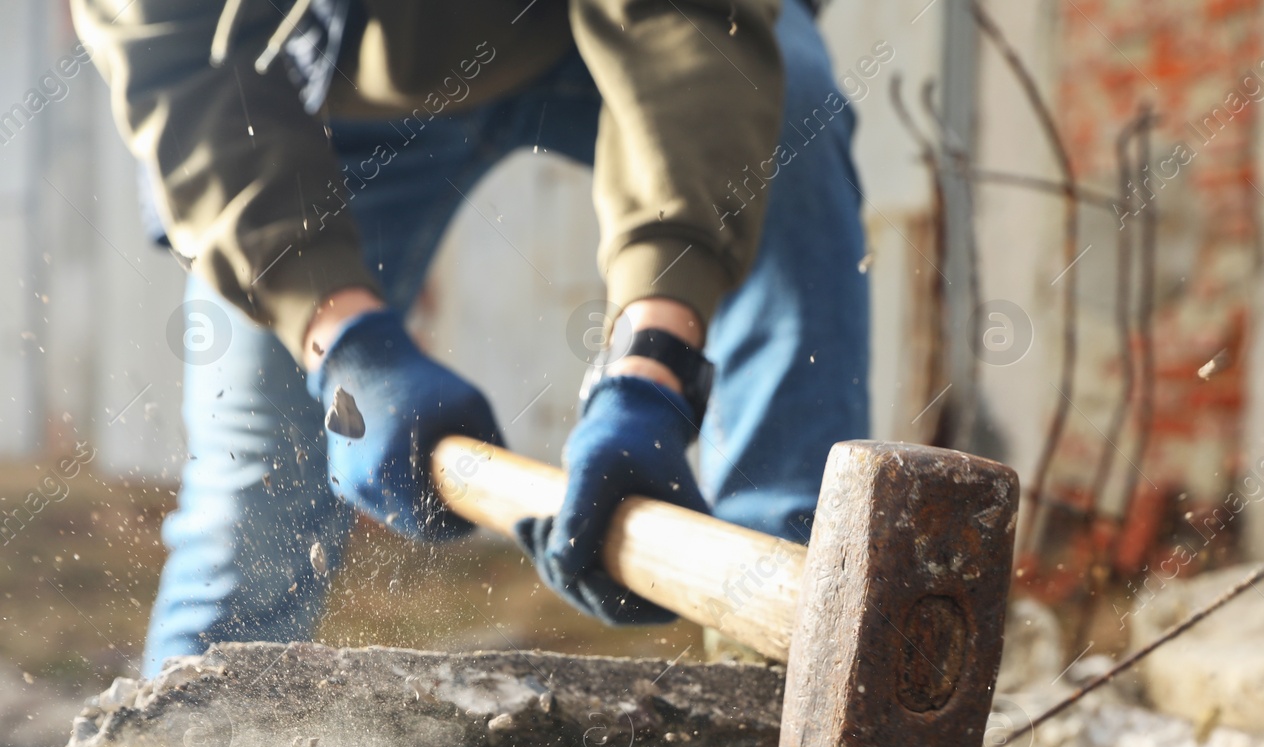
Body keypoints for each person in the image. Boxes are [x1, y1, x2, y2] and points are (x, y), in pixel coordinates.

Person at [70, 0, 870, 675]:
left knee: (786, 103)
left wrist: (652, 366)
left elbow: (684, 21)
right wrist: (345, 343)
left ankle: (782, 648)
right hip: (321, 98)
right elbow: (181, 74)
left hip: (596, 41)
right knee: (254, 507)